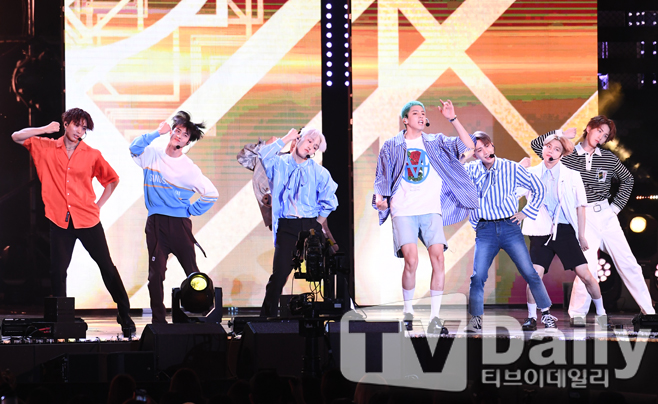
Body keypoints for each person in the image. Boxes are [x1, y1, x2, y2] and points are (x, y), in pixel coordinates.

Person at [11, 108, 135, 337]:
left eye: (84, 128)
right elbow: (16, 136)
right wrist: (45, 129)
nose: (80, 131)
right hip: (60, 220)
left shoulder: (91, 154)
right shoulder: (46, 147)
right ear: (66, 123)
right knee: (58, 271)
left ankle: (125, 314)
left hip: (87, 219)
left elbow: (112, 180)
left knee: (106, 266)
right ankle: (61, 320)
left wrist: (98, 206)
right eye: (77, 125)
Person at [530, 116, 655, 325]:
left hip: (606, 214)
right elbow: (536, 146)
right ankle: (577, 314)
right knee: (588, 266)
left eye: (605, 136)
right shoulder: (567, 155)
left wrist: (615, 208)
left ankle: (649, 312)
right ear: (589, 128)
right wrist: (560, 134)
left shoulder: (608, 158)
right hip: (583, 215)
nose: (601, 137)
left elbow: (627, 179)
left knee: (629, 262)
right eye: (599, 131)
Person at [373, 100, 479, 335]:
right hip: (403, 209)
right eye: (415, 113)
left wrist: (453, 119)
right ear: (405, 120)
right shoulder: (391, 145)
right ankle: (408, 313)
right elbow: (381, 176)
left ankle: (435, 318)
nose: (421, 116)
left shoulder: (436, 141)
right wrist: (380, 198)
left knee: (438, 259)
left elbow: (468, 145)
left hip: (430, 208)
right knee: (411, 261)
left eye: (423, 113)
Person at [129, 111, 218, 324]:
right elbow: (134, 148)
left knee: (193, 274)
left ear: (188, 142)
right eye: (177, 131)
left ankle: (200, 317)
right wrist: (155, 133)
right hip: (156, 224)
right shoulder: (152, 154)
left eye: (185, 135)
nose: (179, 136)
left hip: (179, 226)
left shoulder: (189, 168)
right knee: (155, 275)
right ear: (171, 132)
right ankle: (159, 322)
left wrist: (190, 211)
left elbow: (211, 194)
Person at [463, 131, 555, 332]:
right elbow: (452, 174)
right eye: (479, 150)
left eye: (487, 146)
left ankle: (546, 314)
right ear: (475, 154)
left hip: (509, 227)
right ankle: (476, 319)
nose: (485, 151)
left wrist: (526, 212)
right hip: (486, 230)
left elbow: (538, 188)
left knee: (530, 272)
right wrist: (466, 154)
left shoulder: (511, 168)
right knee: (478, 276)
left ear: (492, 146)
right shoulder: (471, 170)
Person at [518, 134, 609, 331]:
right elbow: (513, 193)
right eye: (548, 147)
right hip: (541, 231)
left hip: (565, 230)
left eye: (556, 149)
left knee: (585, 275)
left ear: (562, 154)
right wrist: (518, 169)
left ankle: (602, 314)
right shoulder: (531, 173)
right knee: (534, 276)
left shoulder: (572, 175)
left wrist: (581, 235)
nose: (550, 151)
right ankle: (532, 317)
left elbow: (581, 206)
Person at [258, 127, 338, 317]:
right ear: (300, 139)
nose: (311, 147)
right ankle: (267, 318)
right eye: (309, 141)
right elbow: (263, 155)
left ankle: (336, 313)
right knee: (279, 274)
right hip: (287, 225)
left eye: (315, 146)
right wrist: (287, 137)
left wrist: (317, 224)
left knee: (331, 265)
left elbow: (330, 201)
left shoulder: (319, 172)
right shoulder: (279, 164)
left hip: (310, 225)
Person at [237, 136, 297, 230]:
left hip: (301, 223)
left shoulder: (310, 171)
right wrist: (266, 146)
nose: (296, 144)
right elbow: (243, 158)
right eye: (296, 139)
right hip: (279, 225)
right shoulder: (271, 157)